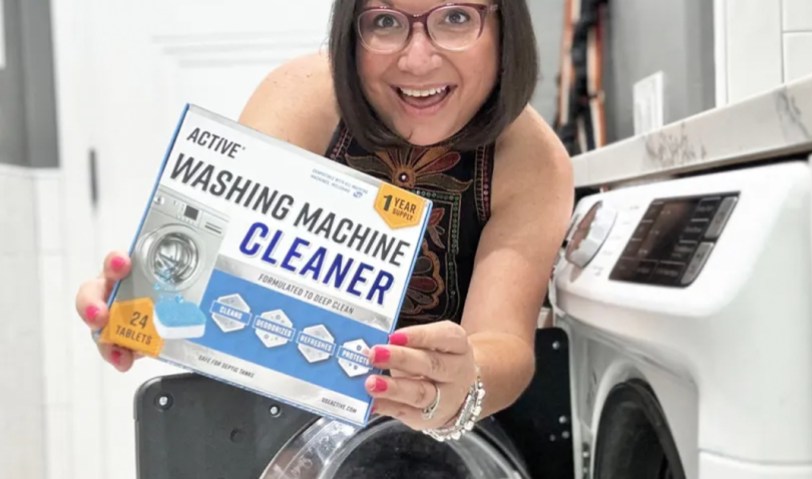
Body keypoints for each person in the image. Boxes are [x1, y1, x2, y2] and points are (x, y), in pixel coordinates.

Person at [74, 0, 572, 438]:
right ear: (350, 30)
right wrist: (144, 299)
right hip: (276, 427)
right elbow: (216, 261)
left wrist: (462, 378)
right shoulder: (305, 95)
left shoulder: (532, 161)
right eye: (384, 21)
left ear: (508, 28)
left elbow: (505, 341)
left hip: (452, 449)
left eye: (458, 17)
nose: (418, 59)